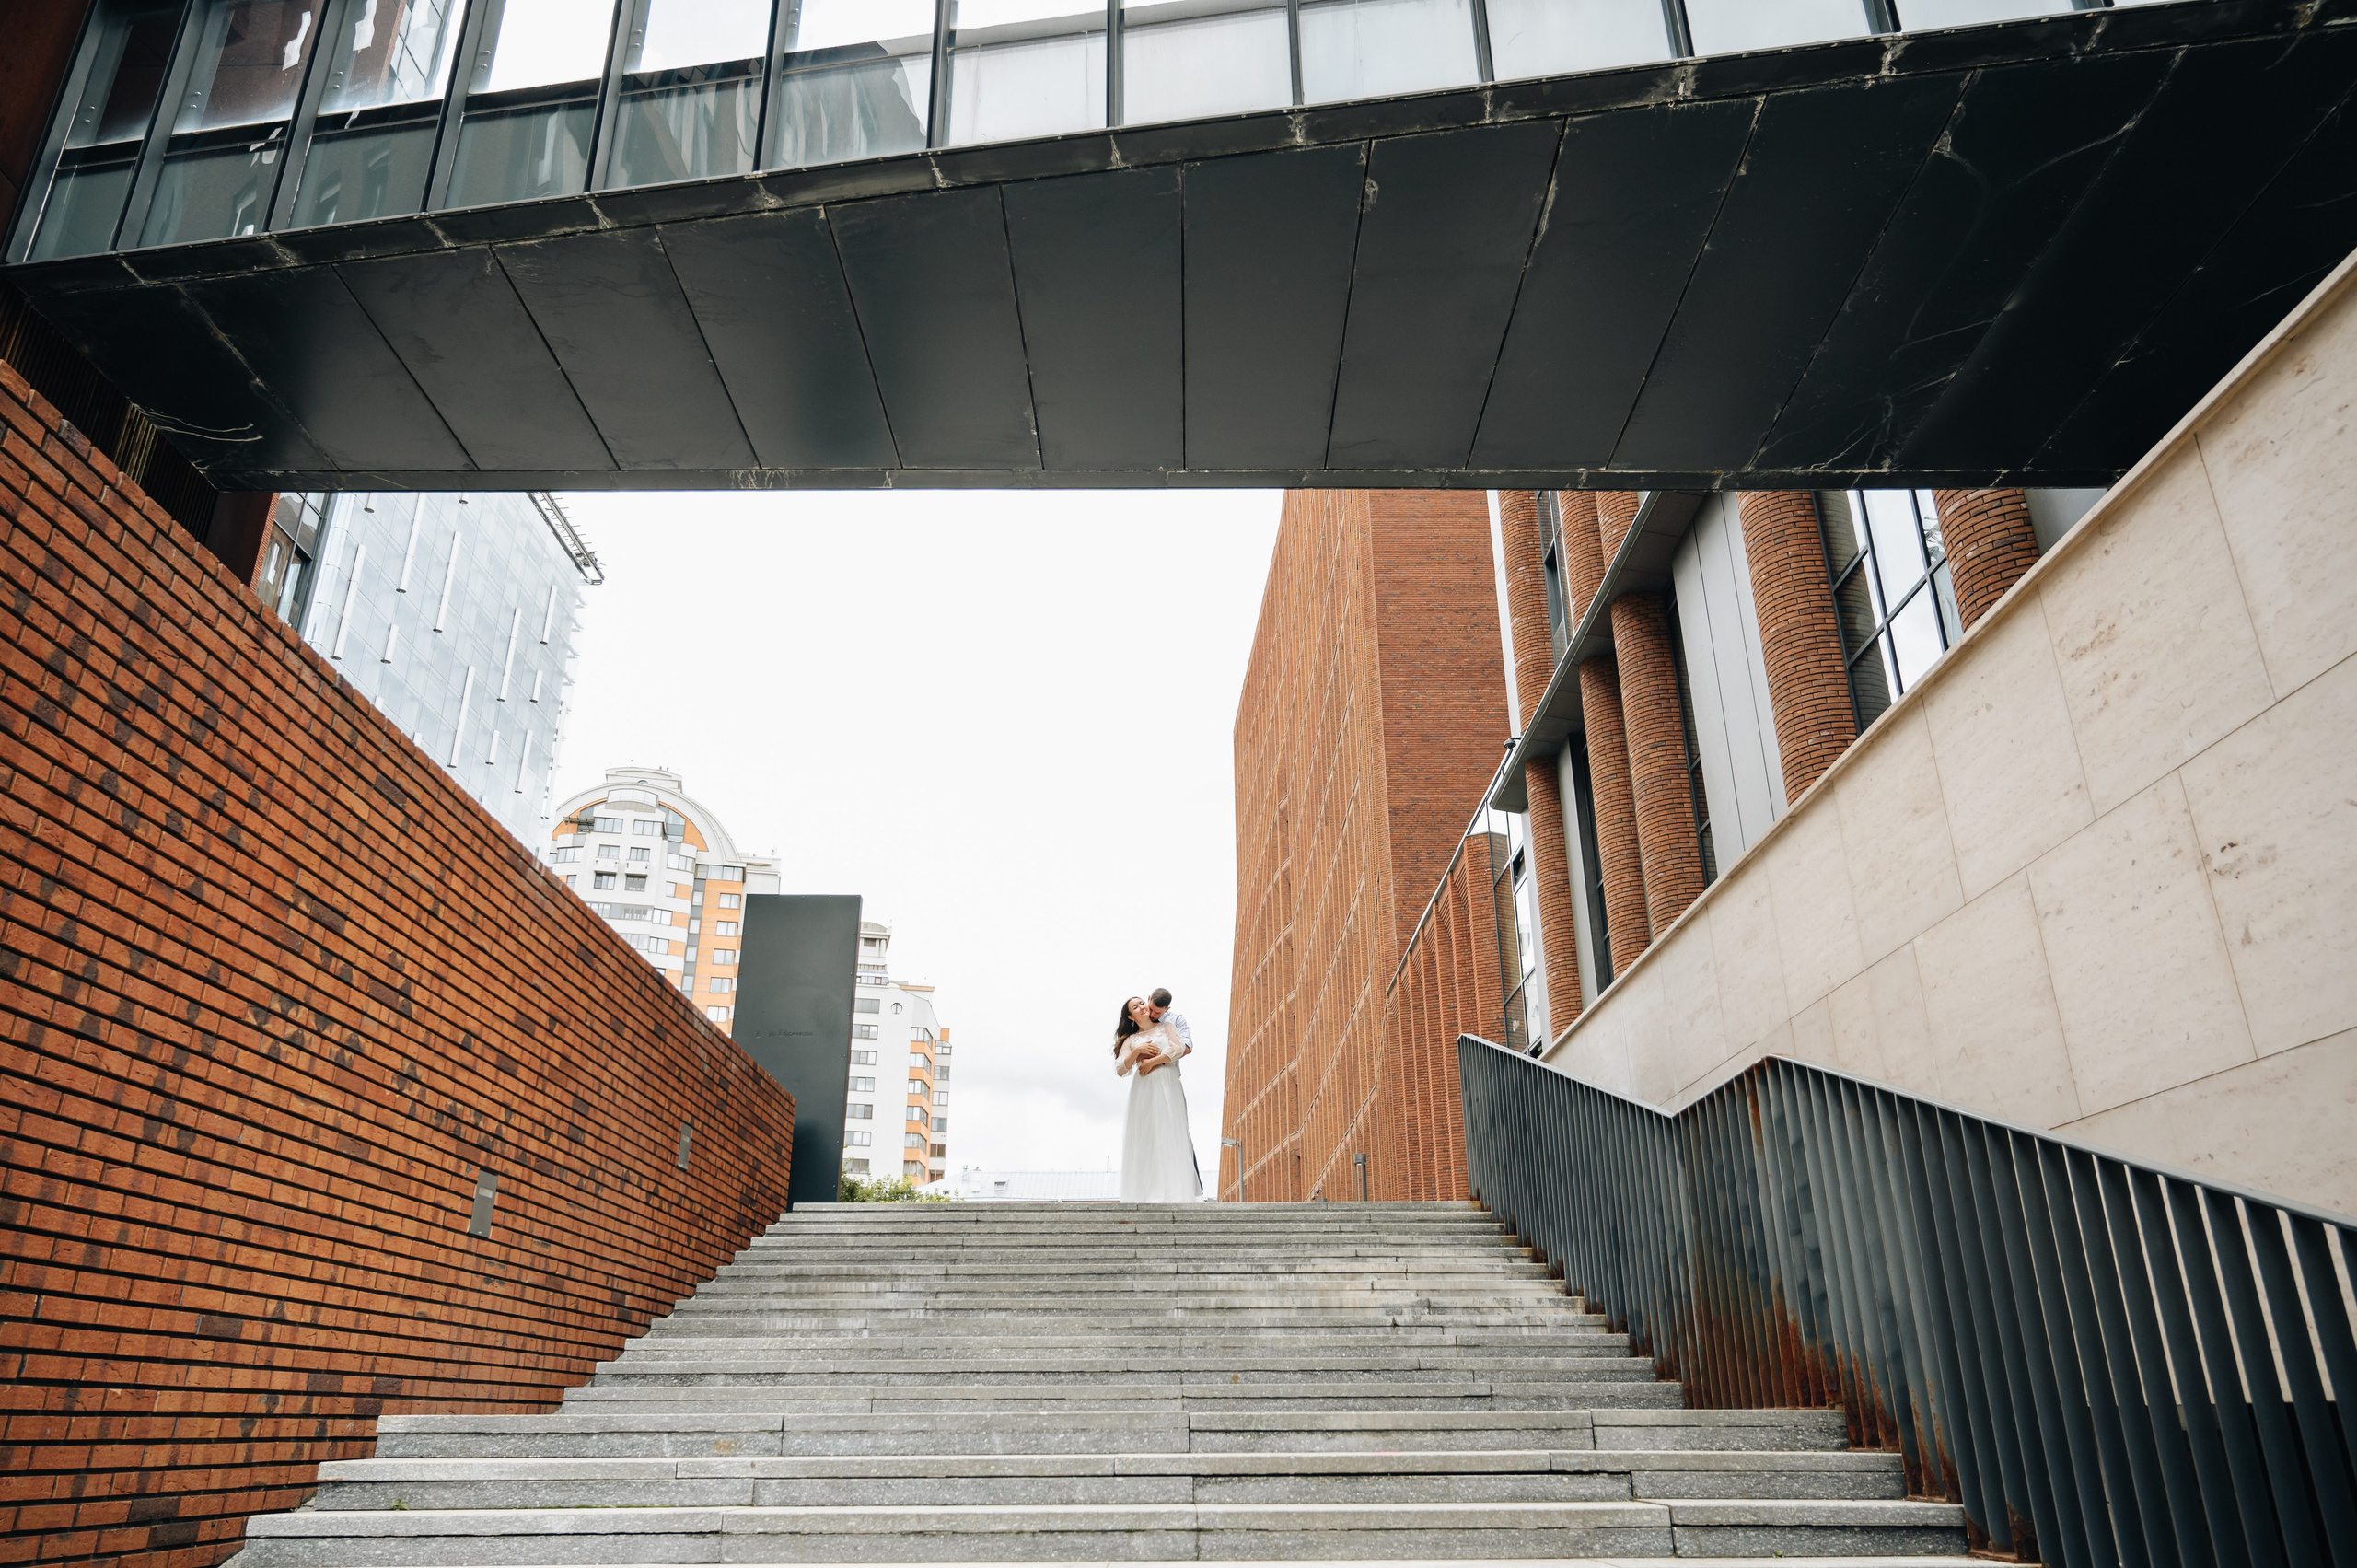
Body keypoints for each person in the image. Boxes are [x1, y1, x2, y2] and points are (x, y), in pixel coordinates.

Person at [1114, 994, 1202, 1202]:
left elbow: (1179, 1048)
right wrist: (1137, 1051)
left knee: (1170, 1130)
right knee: (1147, 1135)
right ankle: (1146, 1192)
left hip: (1167, 1082)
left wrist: (1153, 1061)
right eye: (1136, 1007)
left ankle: (1175, 1192)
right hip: (1144, 1088)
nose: (1142, 1007)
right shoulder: (1130, 1040)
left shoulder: (1167, 1026)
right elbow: (1120, 1069)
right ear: (1131, 1016)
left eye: (1142, 1003)